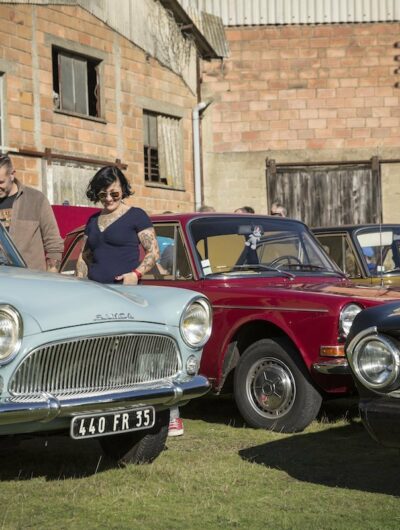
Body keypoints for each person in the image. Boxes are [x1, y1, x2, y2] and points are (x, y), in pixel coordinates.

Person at [75, 166, 183, 436]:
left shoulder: (136, 215)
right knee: (99, 355)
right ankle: (105, 410)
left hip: (127, 295)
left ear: (122, 188)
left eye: (113, 193)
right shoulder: (92, 220)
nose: (109, 199)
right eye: (102, 194)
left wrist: (136, 273)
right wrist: (78, 283)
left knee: (138, 355)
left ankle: (170, 413)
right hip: (94, 296)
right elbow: (85, 256)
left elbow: (153, 251)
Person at [0, 154, 63, 271]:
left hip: (31, 280)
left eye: (1, 182)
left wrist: (52, 274)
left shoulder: (36, 199)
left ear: (12, 175)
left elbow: (53, 243)